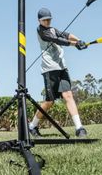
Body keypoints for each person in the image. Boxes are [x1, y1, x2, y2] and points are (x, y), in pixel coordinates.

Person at [29, 8, 88, 137]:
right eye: (44, 20)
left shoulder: (53, 29)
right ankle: (32, 126)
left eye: (49, 19)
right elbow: (58, 40)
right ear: (39, 20)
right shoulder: (41, 31)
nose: (47, 21)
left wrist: (79, 40)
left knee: (68, 96)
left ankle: (79, 128)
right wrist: (74, 45)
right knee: (49, 102)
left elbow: (65, 35)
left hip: (62, 68)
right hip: (50, 69)